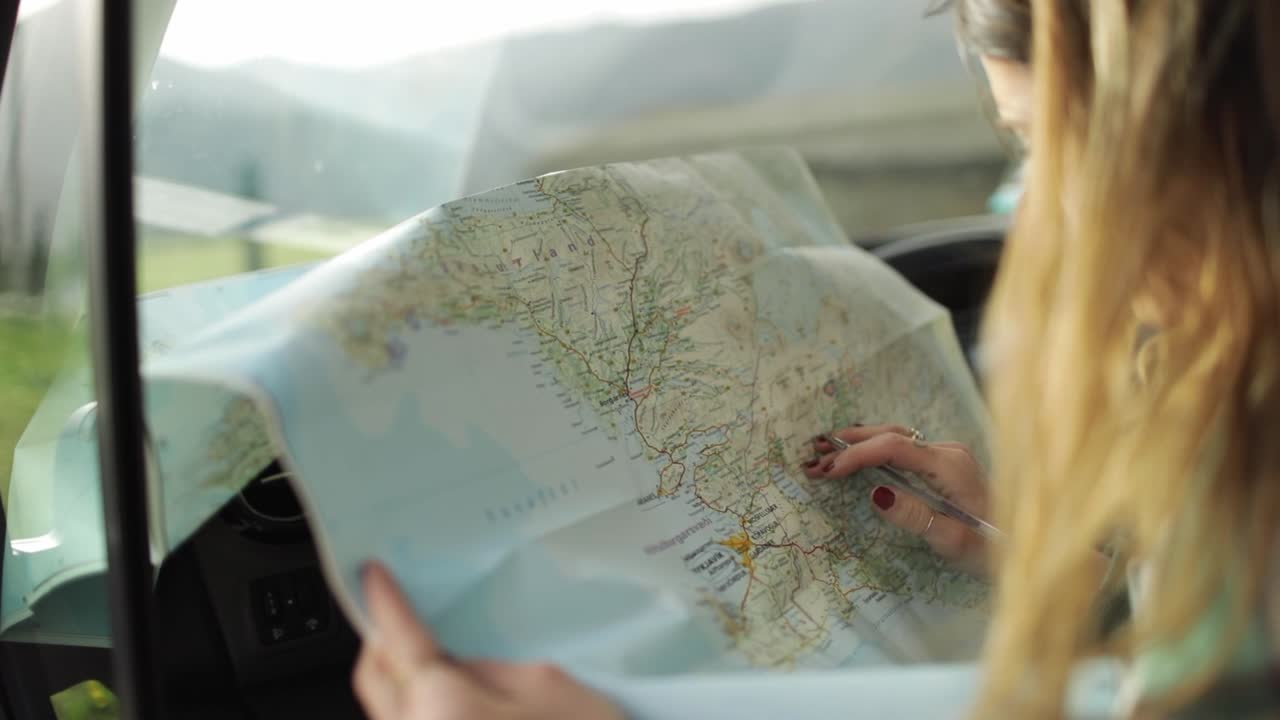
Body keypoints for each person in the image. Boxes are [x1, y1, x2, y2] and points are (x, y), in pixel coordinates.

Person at [353, 1, 1280, 717]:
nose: (1042, 220)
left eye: (1064, 146)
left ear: (1221, 129)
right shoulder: (1224, 385)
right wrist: (1077, 579)